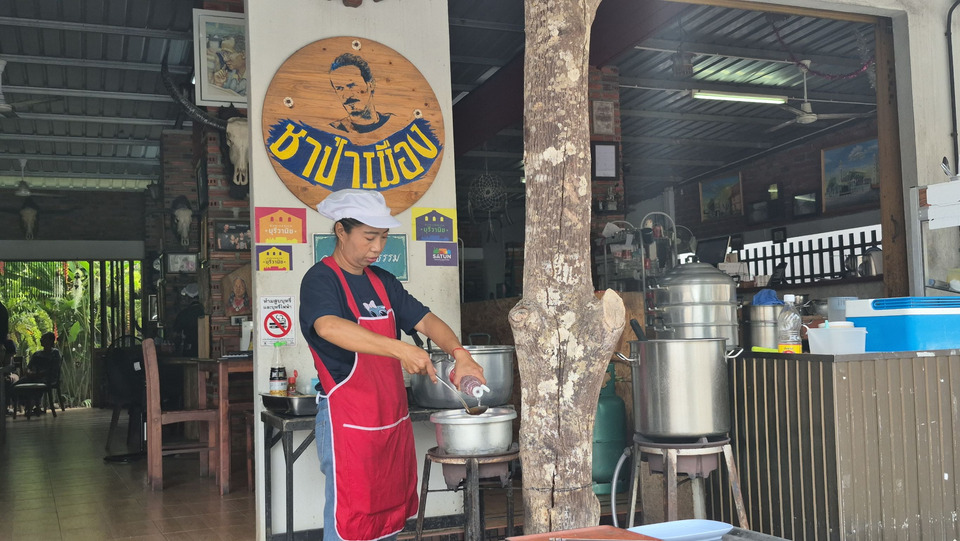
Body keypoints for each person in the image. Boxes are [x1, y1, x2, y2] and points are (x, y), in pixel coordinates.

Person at [300, 189, 485, 541]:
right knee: (351, 520)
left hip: (391, 420)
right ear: (340, 231)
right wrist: (399, 349)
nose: (377, 247)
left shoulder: (382, 281)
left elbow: (426, 320)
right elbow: (328, 326)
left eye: (383, 237)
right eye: (369, 237)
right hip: (348, 422)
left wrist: (460, 354)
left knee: (387, 517)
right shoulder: (321, 280)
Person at [328, 53, 398, 135]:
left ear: (371, 85)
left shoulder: (394, 122)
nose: (347, 95)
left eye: (352, 85)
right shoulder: (333, 130)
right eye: (339, 88)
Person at [15, 332, 62, 415]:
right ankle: (25, 404)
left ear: (51, 341)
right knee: (18, 384)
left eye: (44, 338)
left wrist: (39, 374)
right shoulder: (37, 354)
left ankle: (33, 405)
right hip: (33, 376)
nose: (41, 340)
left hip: (48, 378)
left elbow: (53, 369)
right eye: (42, 338)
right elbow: (29, 367)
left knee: (36, 384)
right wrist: (29, 373)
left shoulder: (54, 353)